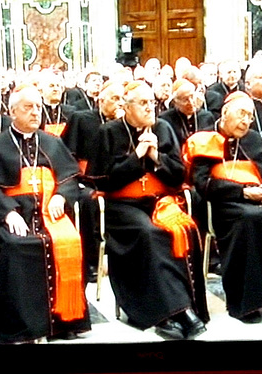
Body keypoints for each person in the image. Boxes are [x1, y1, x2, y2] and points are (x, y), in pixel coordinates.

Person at [89, 80, 209, 340]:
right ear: (126, 108)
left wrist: (156, 157)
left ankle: (187, 308)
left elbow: (178, 176)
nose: (149, 108)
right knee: (149, 234)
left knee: (185, 229)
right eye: (142, 103)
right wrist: (137, 155)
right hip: (122, 207)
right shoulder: (108, 132)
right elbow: (102, 181)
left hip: (160, 202)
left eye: (151, 103)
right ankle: (168, 314)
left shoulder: (163, 128)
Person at [0, 84, 91, 344]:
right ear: (12, 111)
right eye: (28, 107)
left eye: (38, 107)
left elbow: (70, 178)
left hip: (51, 210)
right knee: (16, 247)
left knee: (69, 242)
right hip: (17, 214)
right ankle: (23, 325)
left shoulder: (52, 142)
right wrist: (6, 213)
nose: (35, 112)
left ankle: (65, 321)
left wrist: (62, 196)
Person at [185, 90, 262, 325]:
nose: (246, 121)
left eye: (250, 116)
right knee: (249, 218)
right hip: (228, 204)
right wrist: (242, 192)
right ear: (225, 114)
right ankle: (249, 303)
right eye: (241, 114)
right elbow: (202, 183)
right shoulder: (206, 139)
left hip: (261, 197)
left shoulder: (253, 138)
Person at [63, 80, 126, 282]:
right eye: (115, 99)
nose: (119, 104)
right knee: (88, 203)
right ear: (100, 100)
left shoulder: (126, 124)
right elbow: (69, 153)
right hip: (87, 179)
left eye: (122, 100)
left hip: (118, 177)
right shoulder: (81, 118)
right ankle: (91, 261)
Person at [159, 78, 215, 147]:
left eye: (192, 97)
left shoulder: (207, 117)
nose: (191, 102)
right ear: (176, 102)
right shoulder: (166, 119)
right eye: (185, 99)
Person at [38, 70, 75, 137]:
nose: (56, 89)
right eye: (51, 86)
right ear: (41, 91)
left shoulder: (71, 112)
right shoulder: (37, 112)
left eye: (58, 86)